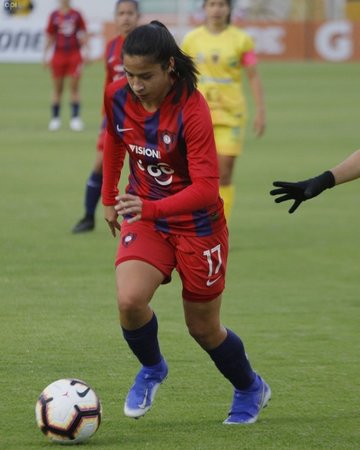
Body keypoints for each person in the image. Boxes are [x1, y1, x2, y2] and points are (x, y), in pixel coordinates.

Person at [101, 21, 270, 424]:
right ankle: (153, 368)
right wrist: (109, 199)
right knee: (129, 301)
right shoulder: (117, 97)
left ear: (170, 67)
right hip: (146, 219)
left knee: (204, 329)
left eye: (146, 76)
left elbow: (208, 189)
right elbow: (114, 140)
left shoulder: (192, 110)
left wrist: (149, 208)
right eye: (129, 75)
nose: (136, 85)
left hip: (198, 227)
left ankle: (250, 387)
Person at [181, 0, 266, 222]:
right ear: (204, 8)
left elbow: (253, 75)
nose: (216, 9)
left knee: (225, 171)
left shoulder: (241, 39)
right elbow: (180, 76)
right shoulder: (191, 40)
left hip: (231, 114)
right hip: (199, 114)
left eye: (221, 4)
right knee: (195, 173)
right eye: (212, 4)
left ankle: (220, 224)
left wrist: (261, 111)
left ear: (229, 9)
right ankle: (195, 221)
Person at [71, 0, 140, 234]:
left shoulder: (145, 46)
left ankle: (141, 218)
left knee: (142, 166)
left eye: (130, 13)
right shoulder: (111, 47)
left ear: (138, 16)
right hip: (115, 117)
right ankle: (88, 215)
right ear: (116, 17)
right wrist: (105, 114)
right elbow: (109, 82)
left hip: (143, 117)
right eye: (121, 13)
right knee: (101, 164)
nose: (126, 18)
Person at [43, 0, 88, 132]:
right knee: (58, 88)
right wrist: (45, 55)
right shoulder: (54, 15)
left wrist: (87, 51)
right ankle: (55, 119)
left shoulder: (77, 15)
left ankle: (75, 118)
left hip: (74, 54)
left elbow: (83, 33)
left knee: (74, 87)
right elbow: (50, 36)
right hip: (58, 55)